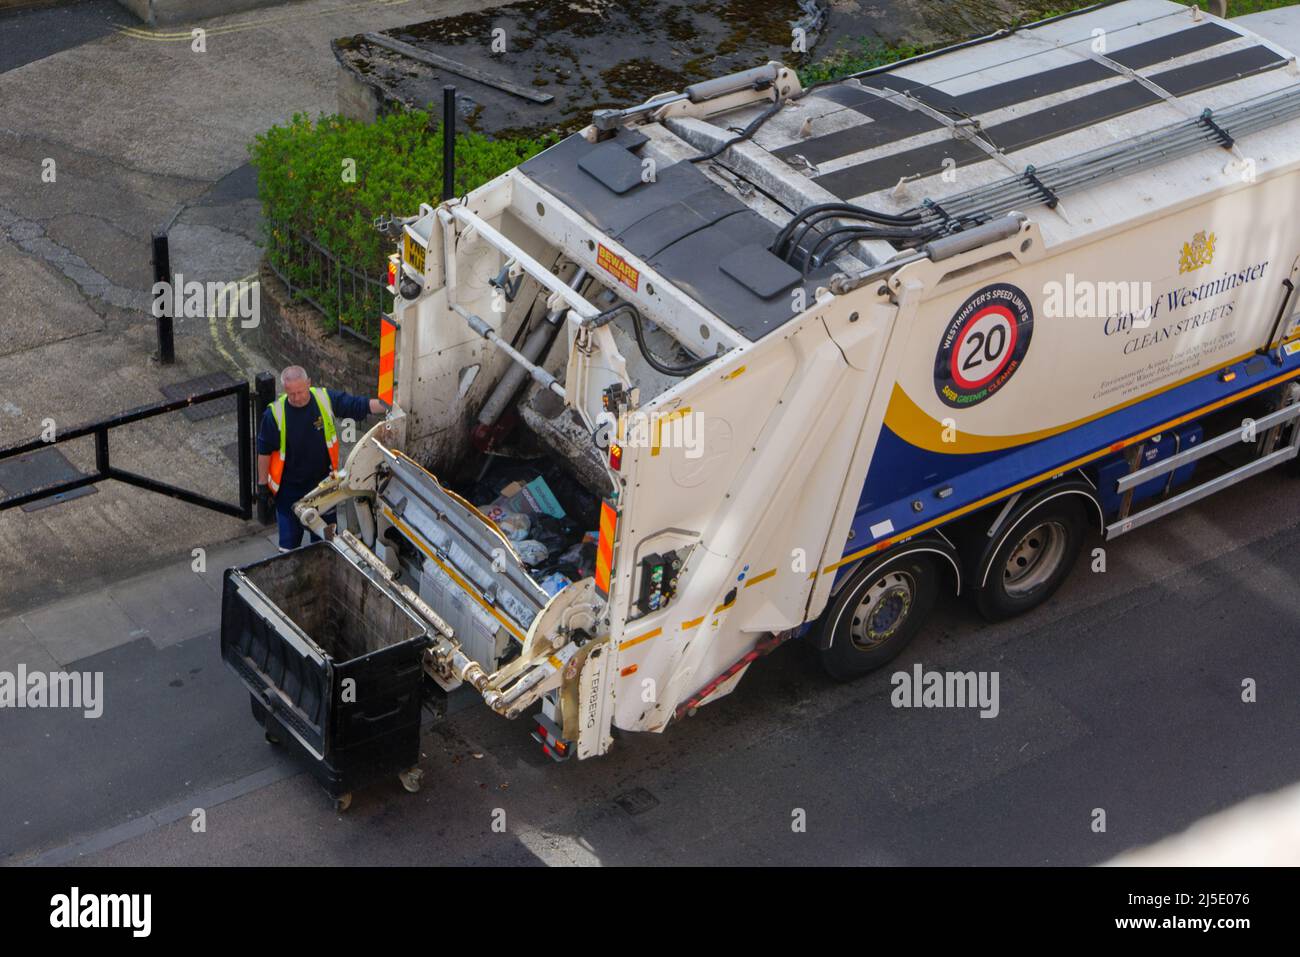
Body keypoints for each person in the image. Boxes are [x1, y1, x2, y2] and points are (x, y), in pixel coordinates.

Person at [256, 366, 389, 551]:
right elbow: (264, 452)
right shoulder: (274, 415)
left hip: (324, 490)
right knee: (288, 549)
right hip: (289, 493)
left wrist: (388, 405)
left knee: (324, 545)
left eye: (300, 391)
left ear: (309, 383)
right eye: (291, 393)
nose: (296, 398)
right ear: (284, 390)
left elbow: (356, 405)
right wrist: (262, 487)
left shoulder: (324, 399)